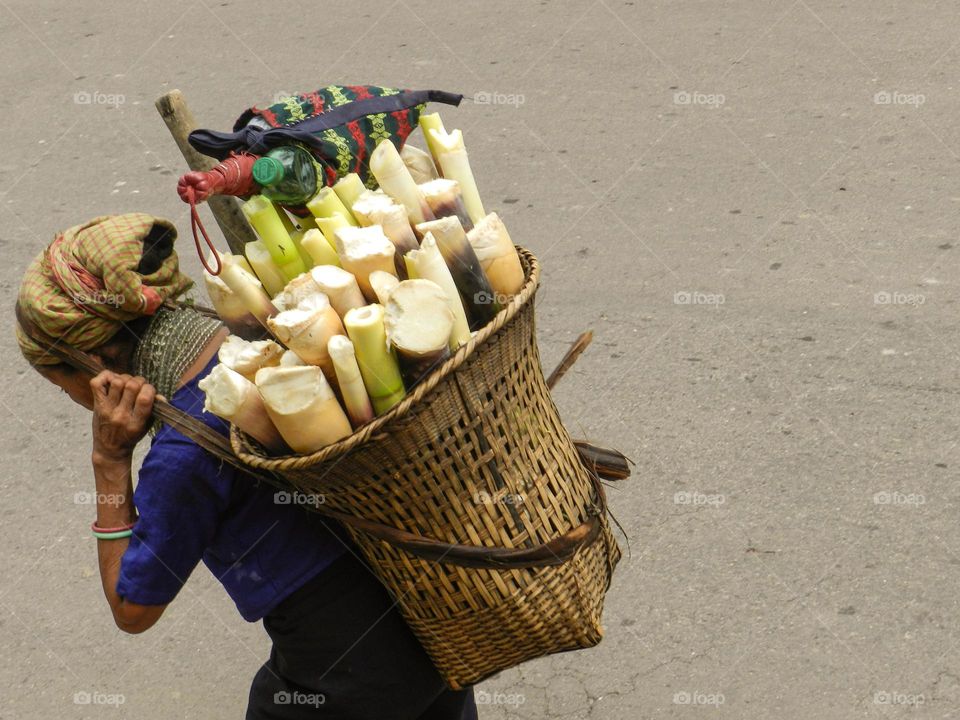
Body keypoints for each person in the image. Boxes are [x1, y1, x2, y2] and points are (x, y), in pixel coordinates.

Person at [15, 213, 477, 720]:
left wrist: (108, 461)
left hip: (349, 667)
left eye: (62, 382)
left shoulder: (183, 454)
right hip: (441, 614)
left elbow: (132, 608)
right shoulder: (271, 332)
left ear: (95, 364)